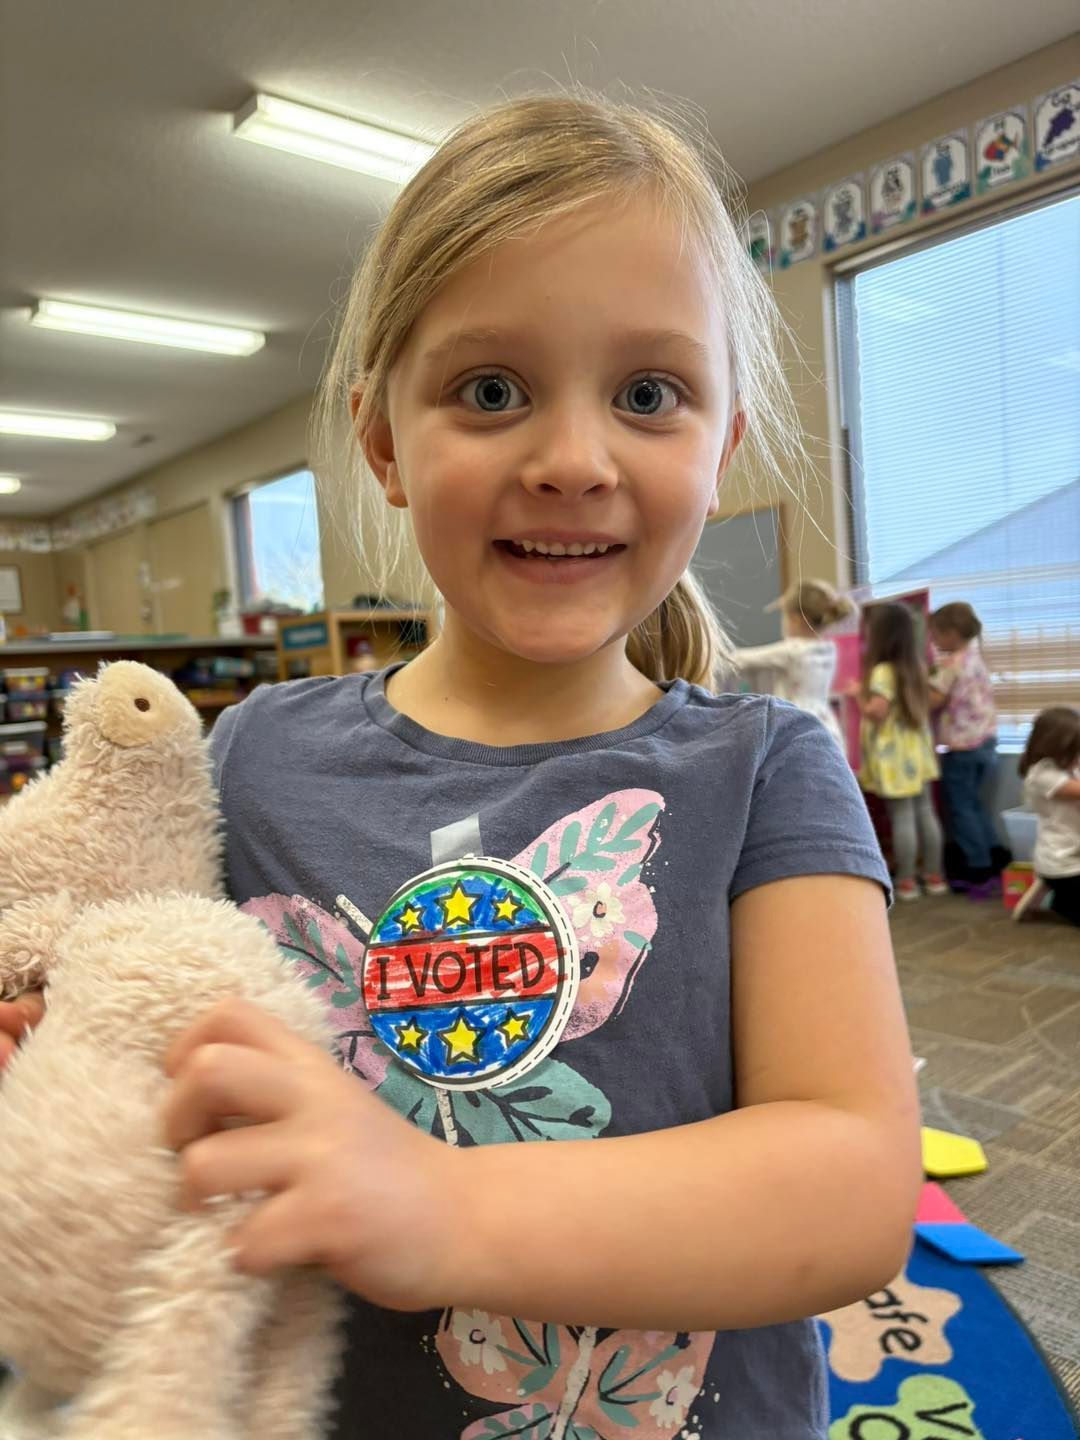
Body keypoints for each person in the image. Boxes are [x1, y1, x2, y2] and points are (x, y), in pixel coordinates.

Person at [0, 95, 920, 1438]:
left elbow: (850, 1189)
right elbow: (160, 1032)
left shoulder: (765, 768)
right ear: (382, 439)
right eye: (492, 392)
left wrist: (440, 1207)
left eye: (649, 394)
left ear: (717, 452)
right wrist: (64, 1058)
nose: (571, 460)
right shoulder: (254, 758)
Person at [850, 602, 947, 901]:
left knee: (902, 816)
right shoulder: (916, 665)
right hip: (917, 753)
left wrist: (858, 695)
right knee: (926, 812)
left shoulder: (882, 671)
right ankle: (934, 875)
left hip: (894, 757)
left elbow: (877, 711)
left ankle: (906, 879)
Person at [928, 601, 1008, 886]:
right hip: (987, 742)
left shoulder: (950, 665)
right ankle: (994, 853)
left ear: (951, 634)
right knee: (974, 804)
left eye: (936, 634)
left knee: (961, 807)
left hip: (962, 747)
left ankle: (976, 865)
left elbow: (933, 700)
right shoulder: (975, 658)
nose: (933, 641)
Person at [730, 577, 854, 746]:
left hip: (797, 726)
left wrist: (715, 652)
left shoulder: (793, 651)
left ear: (795, 620)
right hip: (827, 726)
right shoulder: (829, 649)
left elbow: (741, 660)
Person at [1015, 706, 1080, 925]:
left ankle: (1062, 898)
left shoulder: (1067, 769)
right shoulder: (1043, 775)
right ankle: (1061, 903)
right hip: (1062, 863)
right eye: (1075, 752)